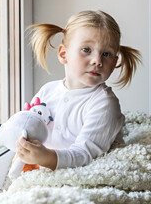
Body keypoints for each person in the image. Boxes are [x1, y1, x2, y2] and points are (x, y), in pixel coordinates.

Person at [16, 10, 141, 171]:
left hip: (74, 176)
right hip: (39, 171)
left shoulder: (104, 103)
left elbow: (86, 154)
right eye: (86, 50)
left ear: (115, 62)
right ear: (63, 54)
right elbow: (28, 128)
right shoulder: (47, 91)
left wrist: (46, 158)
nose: (97, 61)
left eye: (106, 54)